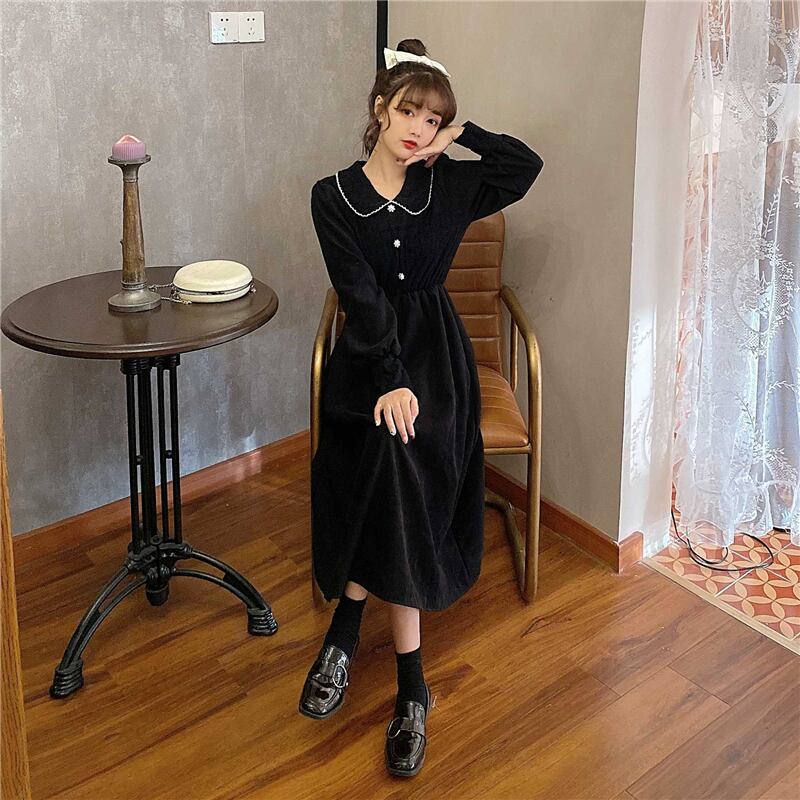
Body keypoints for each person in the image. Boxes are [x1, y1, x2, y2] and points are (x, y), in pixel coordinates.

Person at [299, 38, 544, 778]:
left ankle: (347, 635)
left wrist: (463, 135)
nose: (418, 128)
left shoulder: (451, 184)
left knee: (399, 453)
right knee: (387, 447)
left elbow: (523, 167)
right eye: (409, 111)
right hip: (369, 361)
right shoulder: (332, 196)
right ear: (380, 109)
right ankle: (412, 687)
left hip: (439, 363)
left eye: (432, 119)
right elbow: (361, 297)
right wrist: (388, 377)